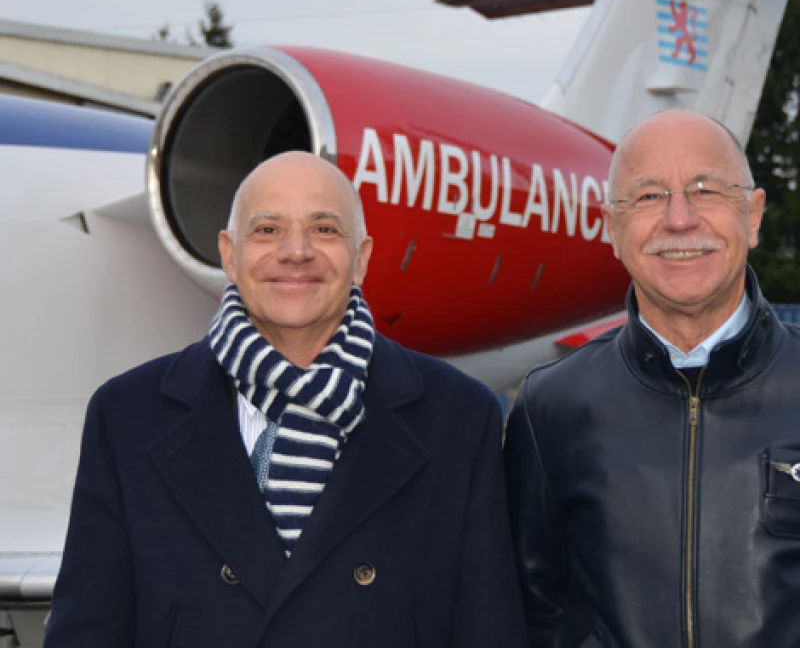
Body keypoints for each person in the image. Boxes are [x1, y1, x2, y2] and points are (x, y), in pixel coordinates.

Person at [47, 151, 526, 647]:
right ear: (229, 255)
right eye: (268, 230)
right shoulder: (129, 416)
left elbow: (489, 629)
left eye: (323, 229)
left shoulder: (458, 418)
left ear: (360, 258)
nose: (296, 251)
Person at [504, 110, 800, 648]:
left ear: (753, 216)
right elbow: (534, 610)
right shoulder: (552, 406)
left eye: (706, 190)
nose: (680, 219)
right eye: (648, 197)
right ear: (613, 230)